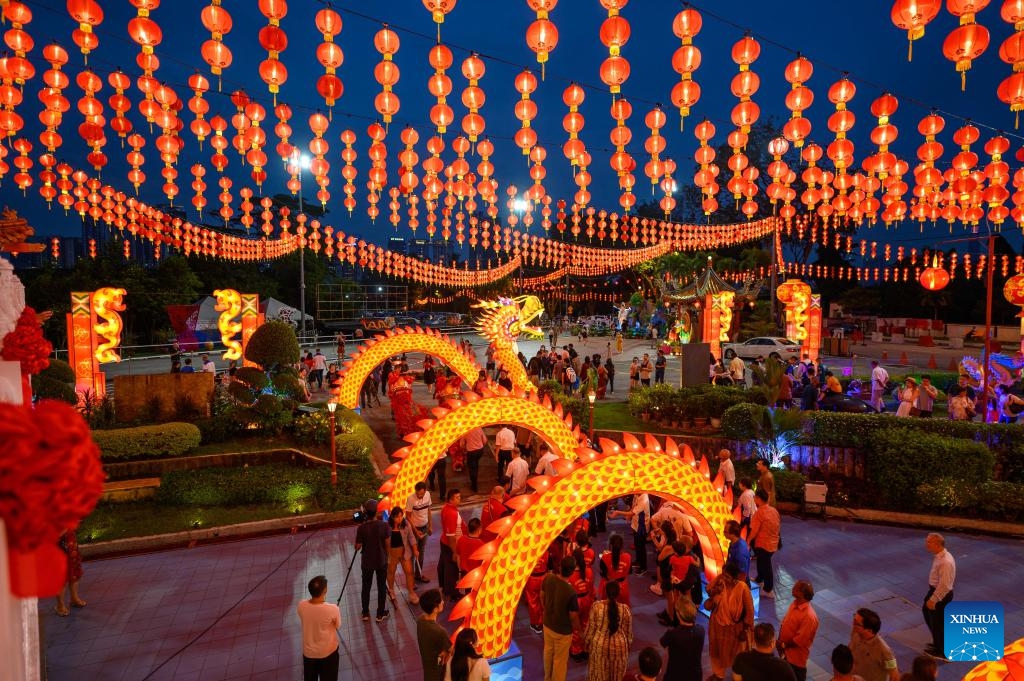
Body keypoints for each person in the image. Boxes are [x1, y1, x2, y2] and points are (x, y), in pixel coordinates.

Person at [704, 563, 755, 681]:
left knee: (737, 655)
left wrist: (745, 629)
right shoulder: (721, 585)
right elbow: (708, 592)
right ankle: (718, 674)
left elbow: (749, 610)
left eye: (727, 577)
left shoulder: (742, 588)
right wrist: (717, 588)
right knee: (716, 651)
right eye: (723, 575)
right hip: (717, 626)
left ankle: (739, 676)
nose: (724, 578)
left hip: (736, 629)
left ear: (735, 577)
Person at [542, 555, 582, 681]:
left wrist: (546, 610)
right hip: (562, 632)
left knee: (548, 653)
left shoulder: (548, 578)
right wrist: (579, 631)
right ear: (571, 571)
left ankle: (547, 678)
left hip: (547, 625)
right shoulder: (570, 592)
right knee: (560, 661)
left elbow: (541, 595)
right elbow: (573, 616)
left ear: (560, 567)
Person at [583, 580, 632, 681]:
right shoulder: (625, 610)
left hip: (599, 648)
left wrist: (586, 643)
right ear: (619, 594)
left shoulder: (597, 607)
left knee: (598, 676)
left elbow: (590, 630)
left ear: (605, 592)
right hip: (620, 648)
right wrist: (627, 648)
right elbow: (628, 635)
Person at [296, 575, 340, 681]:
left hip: (309, 654)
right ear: (325, 590)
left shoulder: (301, 605)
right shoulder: (332, 609)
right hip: (328, 653)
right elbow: (337, 625)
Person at [354, 499, 391, 622]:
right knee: (381, 587)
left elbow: (357, 546)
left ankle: (365, 612)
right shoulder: (384, 526)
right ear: (376, 511)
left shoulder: (362, 528)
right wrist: (387, 557)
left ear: (365, 512)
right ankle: (380, 614)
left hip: (367, 562)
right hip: (381, 560)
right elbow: (387, 544)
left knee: (366, 587)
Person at [777, 580, 819, 681]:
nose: (792, 588)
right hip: (786, 653)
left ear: (802, 593)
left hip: (796, 660)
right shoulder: (795, 604)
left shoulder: (809, 616)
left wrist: (783, 644)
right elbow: (784, 622)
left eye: (796, 588)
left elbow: (799, 640)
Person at [922, 533, 955, 659]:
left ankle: (944, 652)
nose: (926, 544)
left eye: (929, 542)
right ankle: (938, 643)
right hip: (936, 591)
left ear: (937, 544)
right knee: (929, 615)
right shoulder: (940, 557)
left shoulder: (945, 562)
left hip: (941, 595)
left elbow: (945, 585)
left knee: (938, 623)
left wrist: (934, 599)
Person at [732, 622, 797, 681]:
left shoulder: (741, 658)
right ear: (772, 644)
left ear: (754, 641)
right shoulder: (784, 667)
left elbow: (736, 679)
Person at [660, 598, 705, 681]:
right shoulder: (701, 630)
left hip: (675, 674)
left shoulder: (672, 634)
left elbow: (661, 644)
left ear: (678, 614)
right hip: (695, 675)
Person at [748, 487, 781, 598]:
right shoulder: (773, 510)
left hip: (763, 544)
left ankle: (768, 589)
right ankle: (759, 578)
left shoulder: (759, 513)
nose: (754, 499)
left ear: (758, 498)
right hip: (773, 543)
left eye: (755, 497)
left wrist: (747, 541)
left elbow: (754, 531)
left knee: (766, 566)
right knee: (761, 562)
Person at [850, 608, 899, 681]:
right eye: (854, 619)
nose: (853, 624)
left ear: (869, 630)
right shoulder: (856, 633)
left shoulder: (884, 650)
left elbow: (895, 676)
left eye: (856, 623)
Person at [609, 493, 650, 574]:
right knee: (637, 544)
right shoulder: (636, 495)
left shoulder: (644, 499)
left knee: (641, 547)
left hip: (642, 527)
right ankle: (638, 561)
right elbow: (633, 507)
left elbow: (633, 513)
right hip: (636, 523)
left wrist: (618, 512)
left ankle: (643, 567)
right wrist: (629, 515)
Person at [387, 507, 420, 606]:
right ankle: (391, 590)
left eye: (401, 516)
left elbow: (411, 537)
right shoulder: (387, 527)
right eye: (397, 517)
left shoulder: (406, 524)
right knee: (391, 572)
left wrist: (415, 549)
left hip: (404, 552)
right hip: (392, 553)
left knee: (409, 572)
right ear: (392, 517)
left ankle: (411, 592)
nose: (400, 519)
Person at [417, 589, 452, 681]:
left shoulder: (420, 620)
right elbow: (452, 650)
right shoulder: (440, 632)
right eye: (441, 601)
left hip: (428, 671)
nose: (443, 602)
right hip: (438, 674)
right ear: (435, 609)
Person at [439, 489, 465, 601]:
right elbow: (451, 536)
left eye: (460, 497)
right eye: (457, 497)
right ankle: (453, 593)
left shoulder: (446, 508)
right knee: (452, 569)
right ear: (450, 499)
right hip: (450, 545)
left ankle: (444, 587)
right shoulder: (451, 513)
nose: (460, 499)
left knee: (444, 565)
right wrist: (454, 552)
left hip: (444, 542)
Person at [405, 482, 433, 583]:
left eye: (421, 494)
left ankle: (419, 574)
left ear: (425, 491)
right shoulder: (411, 499)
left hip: (424, 527)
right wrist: (415, 531)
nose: (420, 496)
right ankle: (410, 579)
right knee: (413, 554)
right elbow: (408, 516)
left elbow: (429, 510)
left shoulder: (428, 495)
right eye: (418, 494)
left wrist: (430, 525)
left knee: (421, 553)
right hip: (413, 529)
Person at [55, 529, 86, 616]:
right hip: (57, 544)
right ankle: (60, 606)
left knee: (75, 572)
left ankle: (74, 598)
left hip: (70, 542)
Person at [598, 533, 633, 607]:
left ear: (610, 546)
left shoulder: (604, 558)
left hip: (609, 589)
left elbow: (603, 574)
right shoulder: (628, 557)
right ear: (622, 546)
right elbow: (630, 572)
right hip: (623, 588)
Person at [455, 518, 484, 584]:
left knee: (467, 591)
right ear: (479, 530)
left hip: (464, 572)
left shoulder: (461, 539)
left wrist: (460, 571)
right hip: (476, 574)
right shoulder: (481, 544)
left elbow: (458, 557)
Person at [461, 426, 488, 494]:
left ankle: (474, 485)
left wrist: (465, 448)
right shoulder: (479, 428)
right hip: (480, 451)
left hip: (471, 452)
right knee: (475, 464)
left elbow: (461, 444)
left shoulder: (466, 430)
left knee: (472, 468)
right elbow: (485, 441)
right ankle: (475, 478)